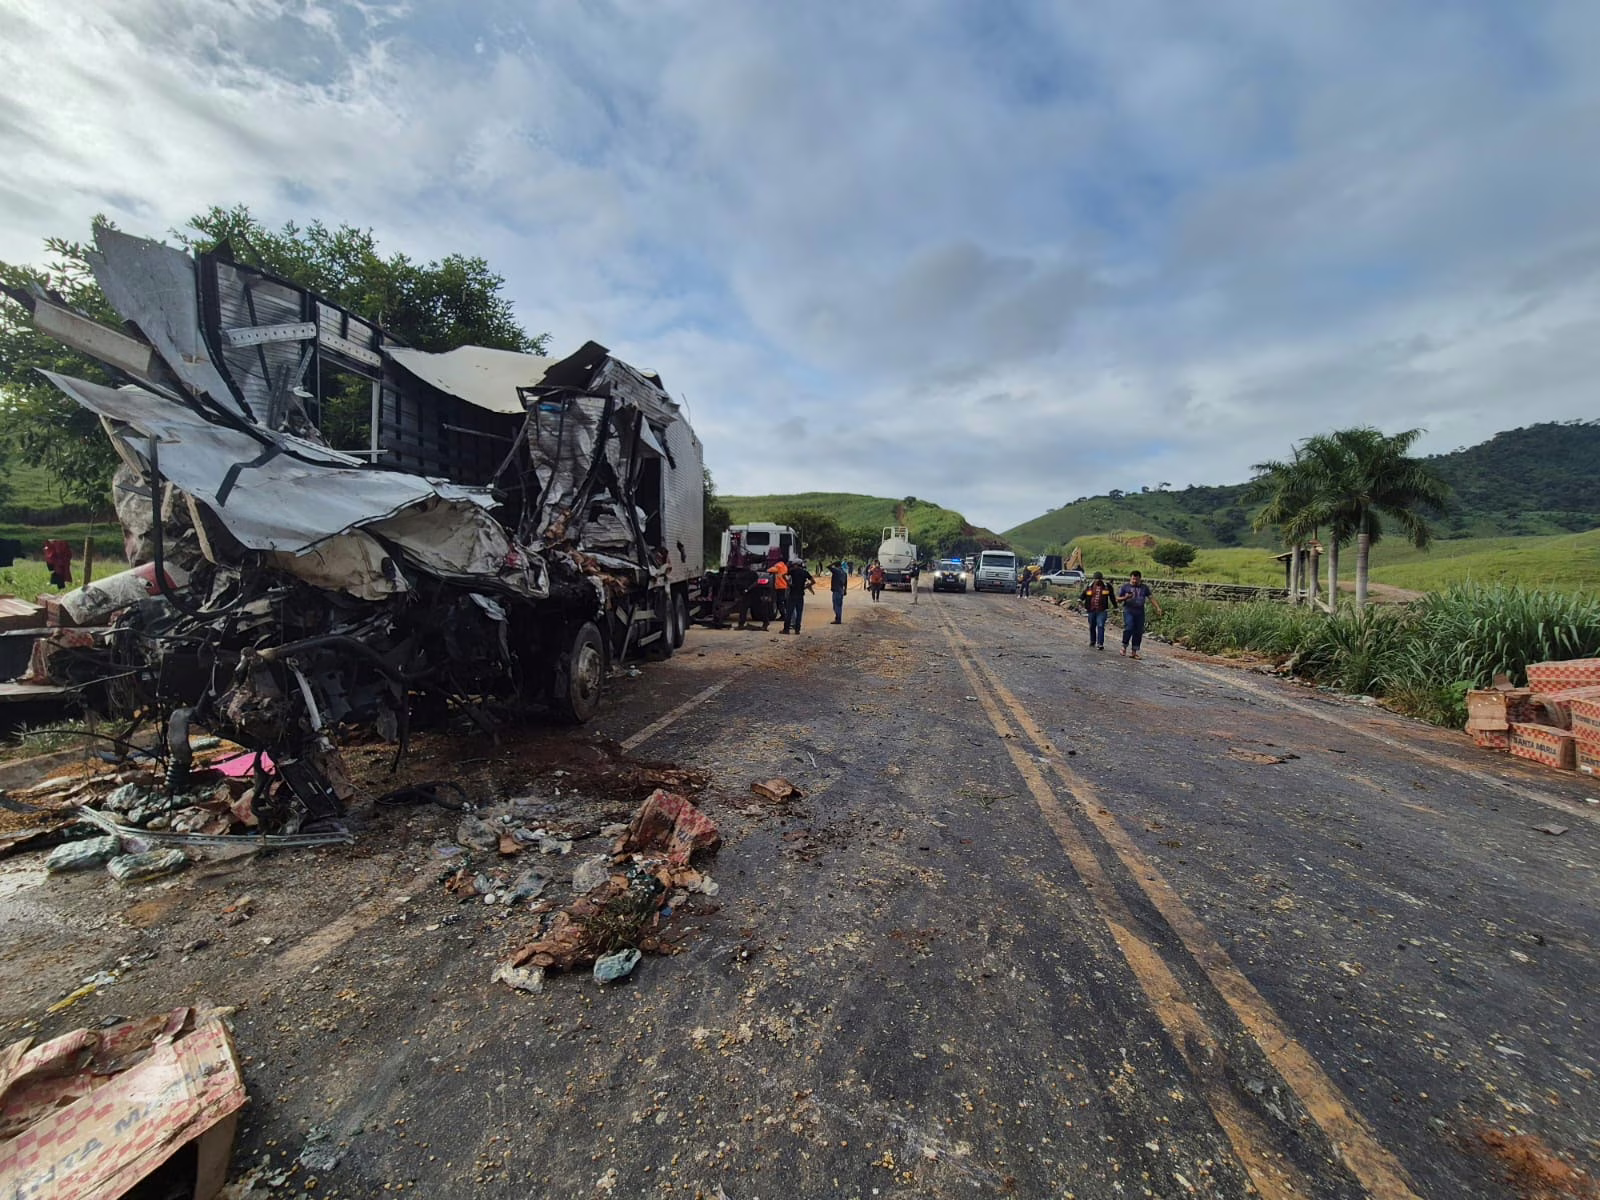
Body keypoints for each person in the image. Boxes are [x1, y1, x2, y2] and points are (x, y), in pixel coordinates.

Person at [1117, 570, 1162, 659]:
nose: (1135, 581)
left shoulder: (1144, 588)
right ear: (1130, 578)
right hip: (1128, 610)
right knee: (1129, 627)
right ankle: (1124, 646)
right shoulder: (1125, 587)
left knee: (1138, 631)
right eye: (1133, 579)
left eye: (1136, 579)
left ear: (1140, 579)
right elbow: (1117, 599)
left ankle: (1134, 651)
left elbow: (1151, 598)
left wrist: (1158, 607)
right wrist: (1126, 597)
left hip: (1140, 612)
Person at [1079, 571, 1116, 650]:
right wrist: (1080, 599)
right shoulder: (1090, 586)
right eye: (1096, 579)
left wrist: (1115, 606)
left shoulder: (1107, 586)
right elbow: (1084, 594)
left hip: (1102, 610)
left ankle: (1100, 643)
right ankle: (1093, 641)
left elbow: (1112, 597)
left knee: (1101, 625)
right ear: (1094, 579)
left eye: (1099, 579)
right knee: (1092, 626)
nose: (1098, 580)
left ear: (1102, 579)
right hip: (1091, 609)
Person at [783, 560, 814, 633]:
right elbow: (813, 581)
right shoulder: (805, 572)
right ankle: (797, 630)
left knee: (789, 612)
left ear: (796, 565)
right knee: (799, 613)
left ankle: (786, 629)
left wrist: (788, 584)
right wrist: (805, 587)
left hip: (792, 594)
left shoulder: (793, 571)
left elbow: (783, 575)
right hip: (800, 595)